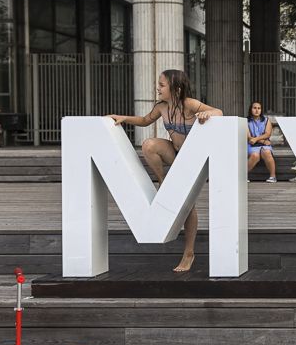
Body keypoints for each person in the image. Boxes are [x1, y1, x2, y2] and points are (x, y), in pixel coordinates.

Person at [107, 69, 221, 272]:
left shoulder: (190, 104)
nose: (157, 88)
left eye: (161, 85)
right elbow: (144, 121)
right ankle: (163, 182)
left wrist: (207, 113)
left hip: (192, 160)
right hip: (175, 152)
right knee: (149, 144)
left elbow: (219, 112)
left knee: (188, 204)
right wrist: (123, 118)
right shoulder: (161, 107)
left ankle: (189, 253)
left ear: (176, 88)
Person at [246, 101, 277, 182]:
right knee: (255, 155)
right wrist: (263, 141)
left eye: (259, 108)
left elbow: (267, 134)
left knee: (267, 152)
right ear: (251, 109)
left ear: (261, 110)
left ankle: (273, 177)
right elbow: (249, 138)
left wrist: (256, 139)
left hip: (262, 144)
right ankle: (243, 176)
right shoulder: (246, 121)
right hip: (252, 145)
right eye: (254, 108)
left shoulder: (266, 120)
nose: (257, 110)